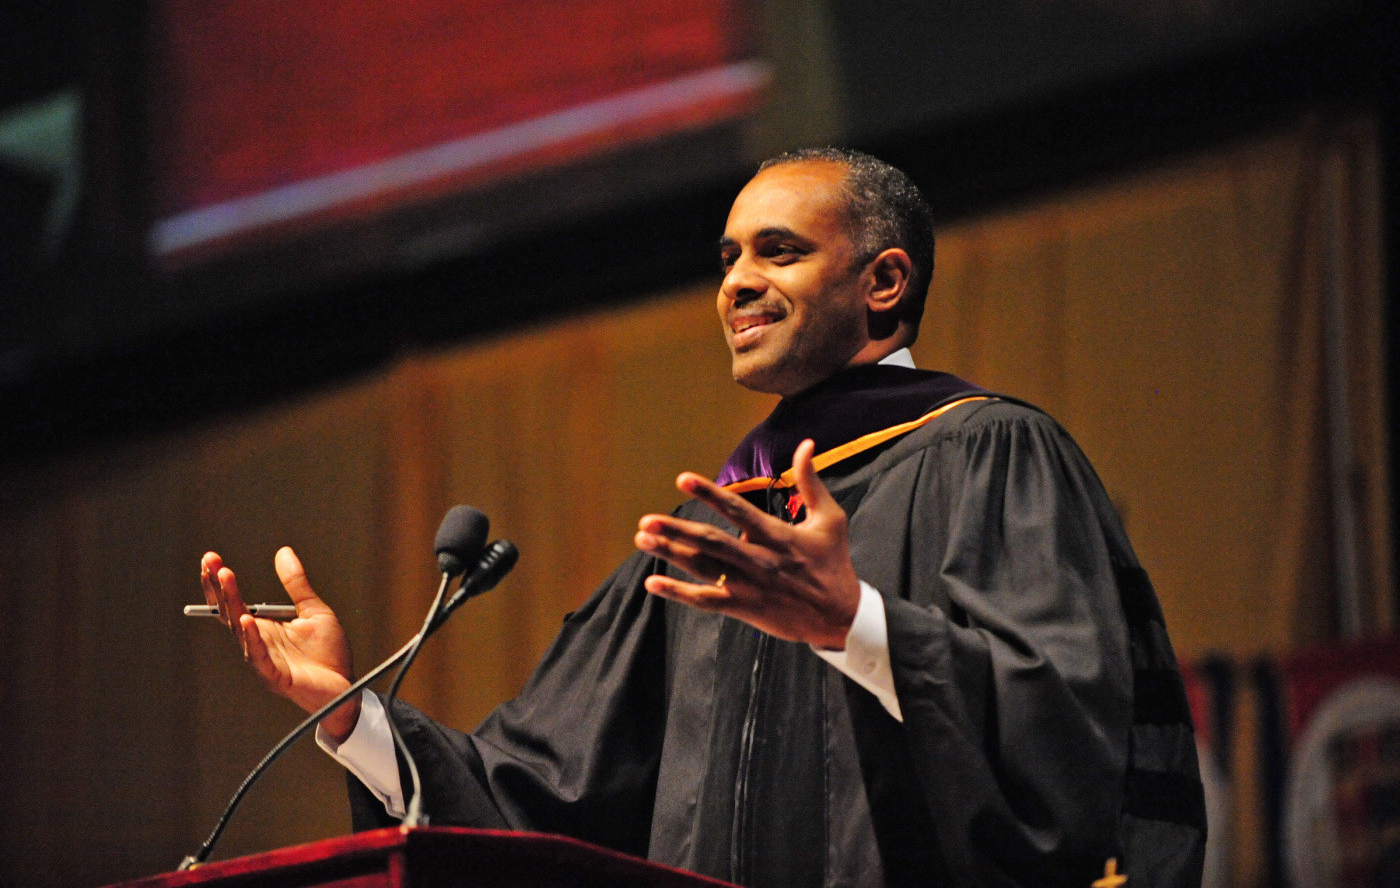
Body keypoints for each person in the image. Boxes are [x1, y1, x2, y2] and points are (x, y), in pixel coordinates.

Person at [199, 149, 1206, 887]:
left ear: (883, 282)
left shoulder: (987, 457)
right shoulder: (707, 540)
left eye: (777, 251)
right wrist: (350, 713)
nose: (733, 281)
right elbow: (536, 794)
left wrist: (855, 626)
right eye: (726, 255)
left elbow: (1061, 734)